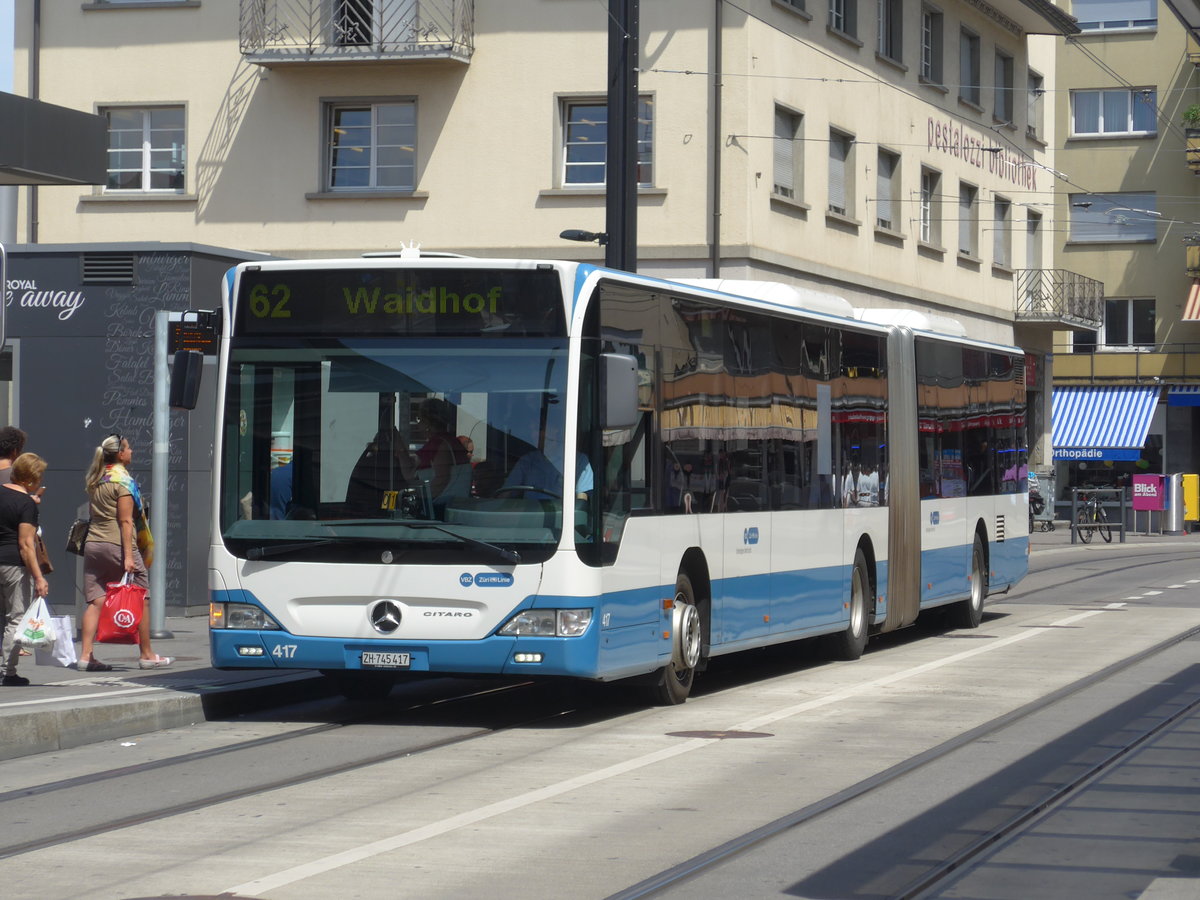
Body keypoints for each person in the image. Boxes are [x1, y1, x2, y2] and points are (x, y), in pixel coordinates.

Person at [78, 434, 171, 671]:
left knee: (95, 601)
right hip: (118, 545)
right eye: (128, 448)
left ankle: (86, 655)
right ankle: (147, 654)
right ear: (120, 454)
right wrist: (129, 557)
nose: (131, 452)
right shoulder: (124, 482)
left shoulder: (96, 479)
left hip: (93, 545)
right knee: (141, 597)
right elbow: (126, 521)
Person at [0, 453, 49, 686]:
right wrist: (39, 577)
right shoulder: (26, 503)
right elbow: (26, 544)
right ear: (30, 479)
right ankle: (7, 672)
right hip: (13, 566)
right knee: (16, 618)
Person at [503, 417, 594, 501]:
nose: (534, 434)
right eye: (532, 430)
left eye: (539, 429)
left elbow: (581, 502)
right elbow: (505, 494)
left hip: (563, 517)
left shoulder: (578, 461)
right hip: (530, 515)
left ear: (555, 429)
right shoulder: (527, 461)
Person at [414, 399, 471, 506]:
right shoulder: (452, 442)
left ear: (428, 422)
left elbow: (441, 479)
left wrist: (423, 501)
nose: (418, 424)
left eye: (419, 419)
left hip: (442, 508)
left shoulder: (438, 444)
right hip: (455, 504)